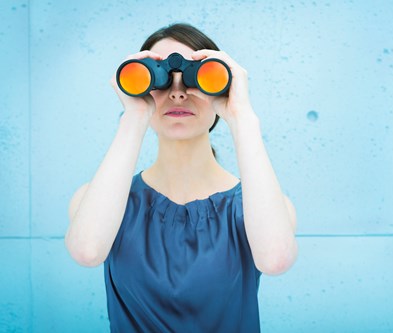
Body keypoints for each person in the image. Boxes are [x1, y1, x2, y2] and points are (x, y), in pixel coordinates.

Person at [64, 23, 298, 332]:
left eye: (196, 77)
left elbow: (275, 259)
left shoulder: (260, 207)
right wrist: (134, 115)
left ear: (223, 86)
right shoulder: (100, 201)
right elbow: (87, 251)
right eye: (159, 79)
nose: (177, 93)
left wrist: (242, 117)